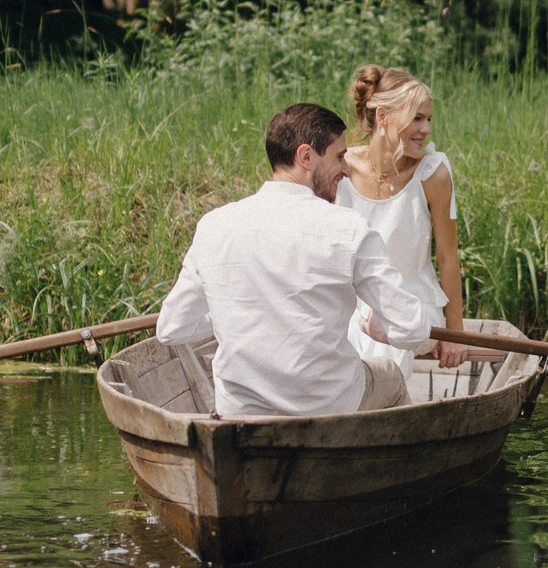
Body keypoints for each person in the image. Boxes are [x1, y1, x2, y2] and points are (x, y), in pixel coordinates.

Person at [154, 103, 429, 415]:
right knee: (390, 376)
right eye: (339, 156)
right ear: (306, 157)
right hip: (328, 406)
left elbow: (171, 329)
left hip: (240, 411)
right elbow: (413, 329)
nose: (348, 169)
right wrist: (383, 331)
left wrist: (235, 310)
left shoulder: (213, 226)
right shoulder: (348, 228)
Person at [338, 64, 471, 376]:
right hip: (351, 303)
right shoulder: (341, 168)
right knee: (355, 323)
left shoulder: (432, 173)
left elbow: (448, 257)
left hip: (414, 305)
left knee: (380, 323)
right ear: (383, 117)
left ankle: (371, 404)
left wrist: (455, 334)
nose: (426, 129)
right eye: (417, 118)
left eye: (428, 119)